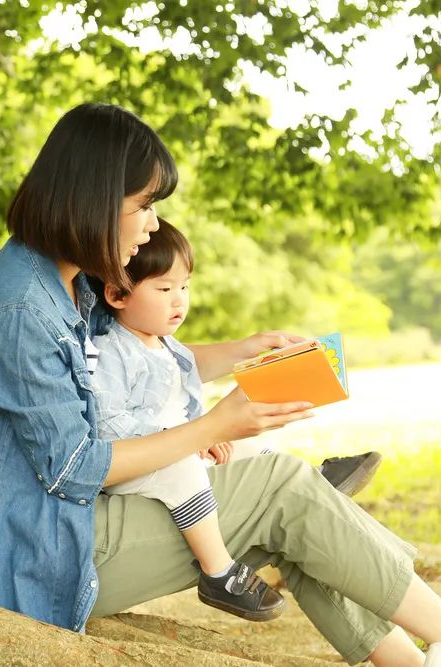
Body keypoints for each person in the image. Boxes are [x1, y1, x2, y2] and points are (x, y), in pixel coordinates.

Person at [0, 103, 441, 667]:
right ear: (93, 199)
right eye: (142, 206)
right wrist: (211, 428)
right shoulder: (22, 309)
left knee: (293, 518)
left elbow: (132, 362)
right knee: (283, 489)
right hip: (42, 560)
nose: (153, 226)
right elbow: (74, 467)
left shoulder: (65, 283)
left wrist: (241, 355)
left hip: (75, 528)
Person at [88, 217, 383, 622]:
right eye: (164, 289)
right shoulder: (110, 353)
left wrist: (252, 353)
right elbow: (110, 424)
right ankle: (219, 571)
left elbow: (187, 382)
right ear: (118, 295)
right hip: (143, 464)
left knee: (251, 445)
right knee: (181, 471)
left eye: (184, 287)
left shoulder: (165, 347)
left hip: (179, 447)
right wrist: (191, 439)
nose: (179, 301)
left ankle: (312, 484)